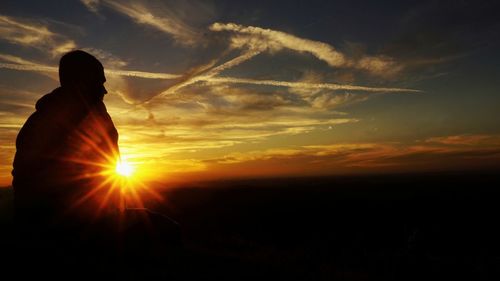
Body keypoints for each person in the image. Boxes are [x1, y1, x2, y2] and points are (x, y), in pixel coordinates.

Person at [12, 50, 121, 224]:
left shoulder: (95, 115)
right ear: (80, 83)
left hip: (97, 218)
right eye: (98, 82)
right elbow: (33, 189)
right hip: (62, 228)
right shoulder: (45, 125)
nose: (104, 90)